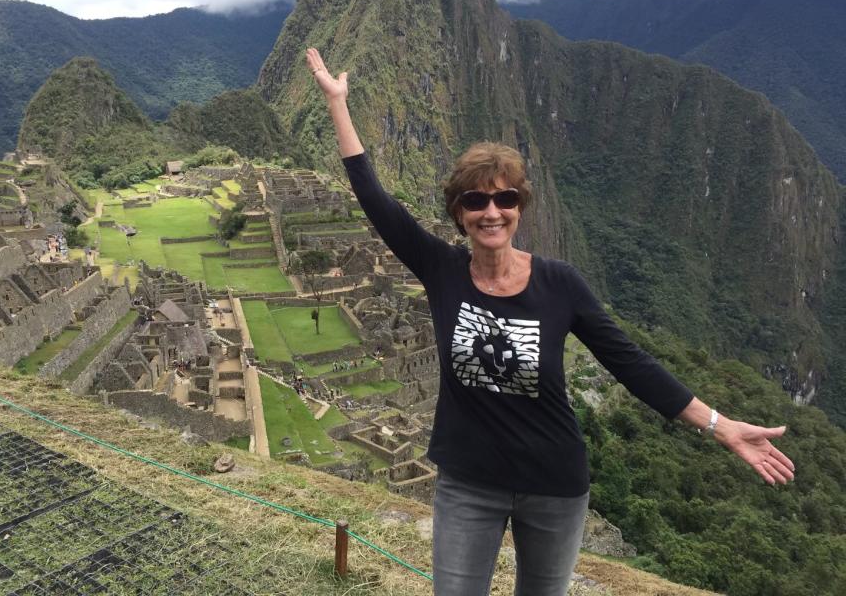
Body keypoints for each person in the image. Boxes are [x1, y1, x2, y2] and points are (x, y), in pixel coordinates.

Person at [305, 47, 795, 596]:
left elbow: (630, 363)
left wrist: (720, 425)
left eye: (504, 198)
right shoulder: (442, 270)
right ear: (459, 212)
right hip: (468, 482)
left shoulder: (560, 284)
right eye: (476, 201)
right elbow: (375, 199)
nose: (492, 211)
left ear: (520, 205)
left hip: (554, 485)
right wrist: (337, 103)